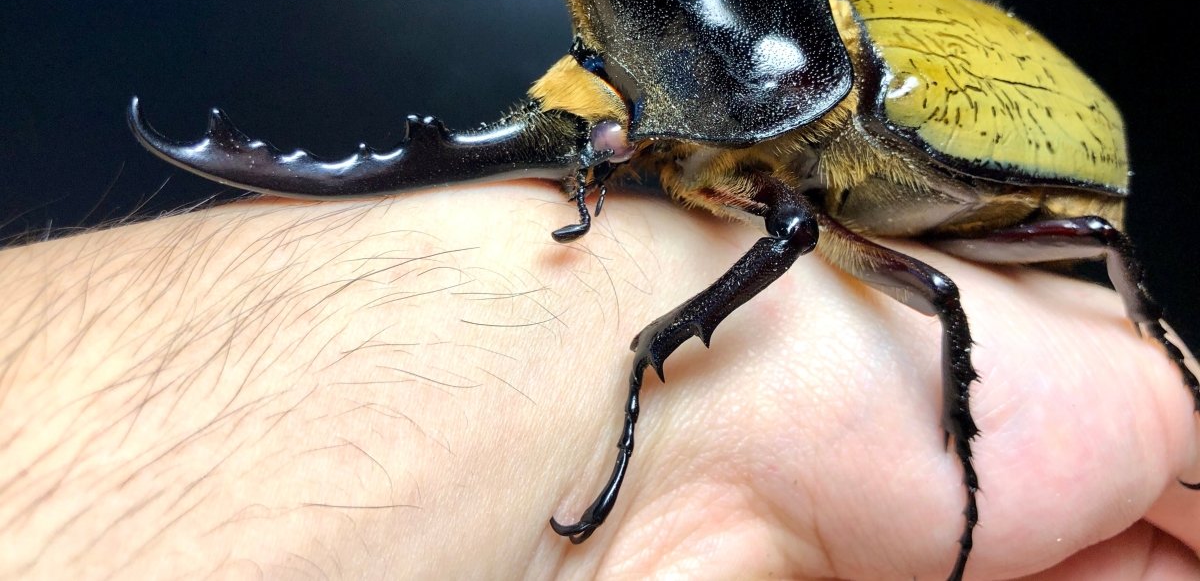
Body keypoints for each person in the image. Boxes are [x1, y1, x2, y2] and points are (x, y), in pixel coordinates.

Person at [1, 182, 1196, 578]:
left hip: (982, 177)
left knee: (976, 273)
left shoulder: (797, 182)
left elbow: (799, 240)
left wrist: (638, 364)